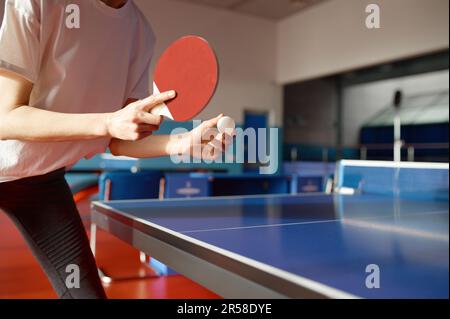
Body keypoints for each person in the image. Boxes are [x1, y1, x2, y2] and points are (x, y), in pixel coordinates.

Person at [0, 0, 231, 299]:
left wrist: (180, 144)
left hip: (41, 182)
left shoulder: (139, 32)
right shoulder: (40, 3)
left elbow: (120, 140)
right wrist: (109, 122)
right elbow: (5, 118)